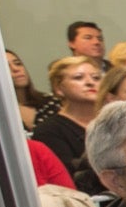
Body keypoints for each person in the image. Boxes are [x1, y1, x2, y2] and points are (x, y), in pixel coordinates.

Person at [32, 55, 103, 193]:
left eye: (96, 78)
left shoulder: (111, 121)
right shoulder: (48, 131)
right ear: (59, 88)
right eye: (78, 77)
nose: (90, 82)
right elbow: (71, 177)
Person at [7, 48, 59, 132]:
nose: (16, 69)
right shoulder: (1, 114)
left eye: (18, 63)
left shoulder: (51, 102)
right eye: (5, 66)